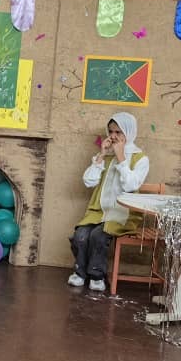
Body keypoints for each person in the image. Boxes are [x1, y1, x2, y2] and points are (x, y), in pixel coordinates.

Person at [68, 112, 149, 292]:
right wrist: (102, 155)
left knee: (98, 236)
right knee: (80, 236)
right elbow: (88, 181)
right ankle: (80, 273)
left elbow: (130, 186)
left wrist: (121, 158)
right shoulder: (106, 155)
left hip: (123, 214)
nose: (113, 136)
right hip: (99, 211)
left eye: (118, 132)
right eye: (111, 131)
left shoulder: (140, 158)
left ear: (129, 132)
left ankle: (97, 276)